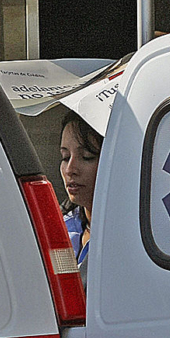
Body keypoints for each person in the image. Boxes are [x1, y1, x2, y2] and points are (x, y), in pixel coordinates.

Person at [59, 110, 103, 289]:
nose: (70, 169)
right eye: (65, 157)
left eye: (86, 157)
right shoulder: (61, 225)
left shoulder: (135, 235)